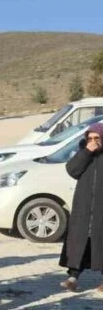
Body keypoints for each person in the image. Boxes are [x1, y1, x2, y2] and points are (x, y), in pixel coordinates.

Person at [59, 122, 103, 292]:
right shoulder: (83, 153)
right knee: (79, 243)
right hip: (83, 208)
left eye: (97, 138)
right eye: (90, 138)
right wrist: (87, 152)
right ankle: (73, 278)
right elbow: (71, 170)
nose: (93, 141)